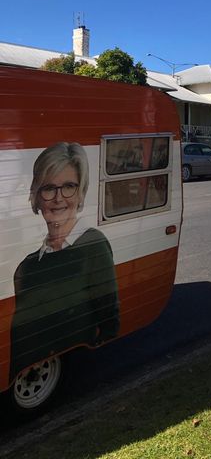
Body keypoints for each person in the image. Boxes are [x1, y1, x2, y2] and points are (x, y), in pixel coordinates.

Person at [10, 142, 120, 380]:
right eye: (49, 188)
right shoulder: (25, 267)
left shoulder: (93, 245)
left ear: (81, 193)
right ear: (37, 197)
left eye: (69, 186)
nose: (59, 198)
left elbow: (109, 322)